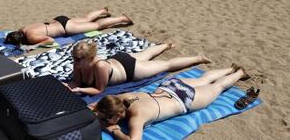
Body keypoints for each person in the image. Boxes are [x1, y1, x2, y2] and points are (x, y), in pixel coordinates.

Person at [92, 65, 251, 139]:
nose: (105, 121)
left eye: (106, 118)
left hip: (184, 99)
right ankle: (230, 69)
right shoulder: (122, 97)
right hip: (170, 87)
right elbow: (97, 106)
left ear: (118, 115)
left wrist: (114, 131)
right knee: (204, 79)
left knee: (218, 86)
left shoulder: (137, 117)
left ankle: (239, 73)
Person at [65, 41, 211, 95]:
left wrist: (80, 90)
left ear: (89, 58)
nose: (74, 61)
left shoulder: (100, 66)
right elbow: (77, 82)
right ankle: (165, 45)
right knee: (145, 53)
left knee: (166, 65)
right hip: (118, 60)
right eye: (74, 57)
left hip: (131, 70)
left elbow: (99, 90)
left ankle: (198, 58)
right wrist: (68, 86)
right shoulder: (78, 63)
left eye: (78, 59)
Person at [4, 8, 133, 46]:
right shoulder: (23, 28)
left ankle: (122, 18)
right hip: (58, 20)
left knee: (97, 26)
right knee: (86, 19)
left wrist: (35, 45)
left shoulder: (31, 37)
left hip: (66, 28)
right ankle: (102, 10)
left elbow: (50, 40)